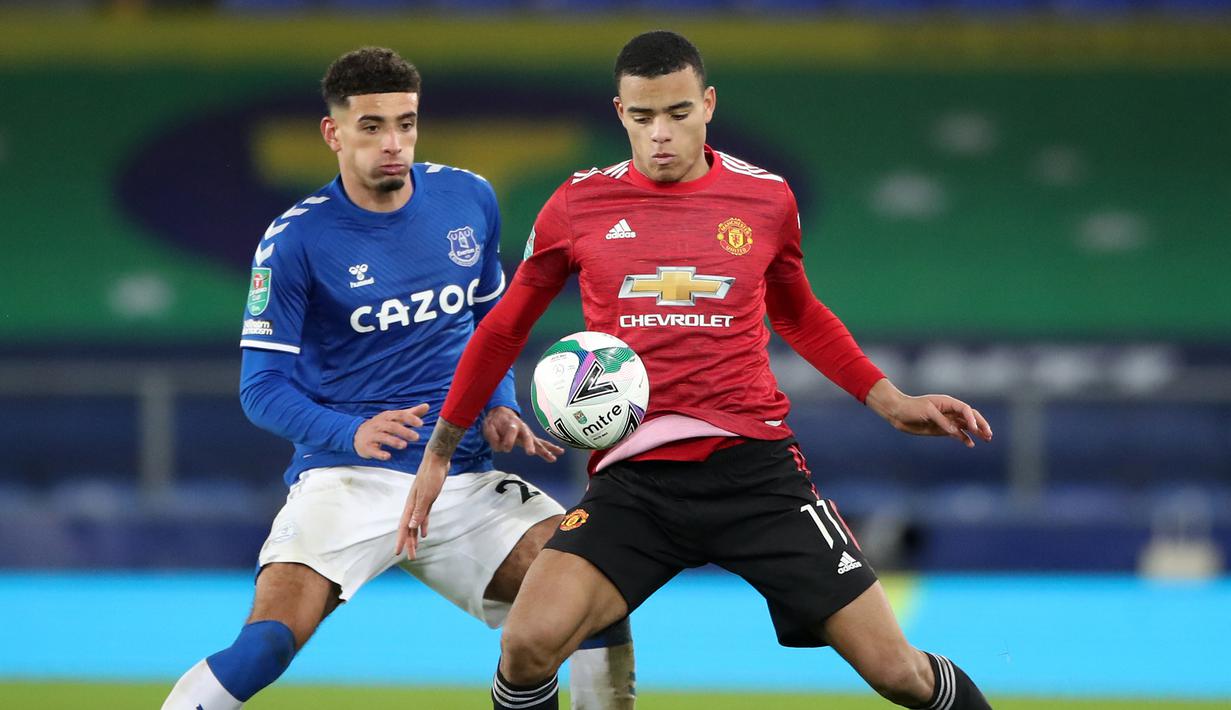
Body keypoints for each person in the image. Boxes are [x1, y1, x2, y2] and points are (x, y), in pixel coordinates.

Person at [399, 31, 996, 710]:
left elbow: (797, 314)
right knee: (527, 644)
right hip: (634, 485)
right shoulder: (576, 205)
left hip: (756, 474)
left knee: (899, 674)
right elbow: (504, 326)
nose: (660, 134)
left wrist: (888, 400)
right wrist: (440, 450)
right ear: (619, 113)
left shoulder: (765, 199)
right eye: (643, 116)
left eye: (678, 113)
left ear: (707, 105)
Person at [161, 47, 635, 710]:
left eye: (406, 124)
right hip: (346, 479)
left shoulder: (467, 198)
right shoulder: (296, 241)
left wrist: (496, 403)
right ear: (333, 133)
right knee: (267, 643)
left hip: (463, 475)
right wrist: (350, 432)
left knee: (592, 594)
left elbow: (486, 324)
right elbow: (260, 388)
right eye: (372, 126)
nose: (394, 144)